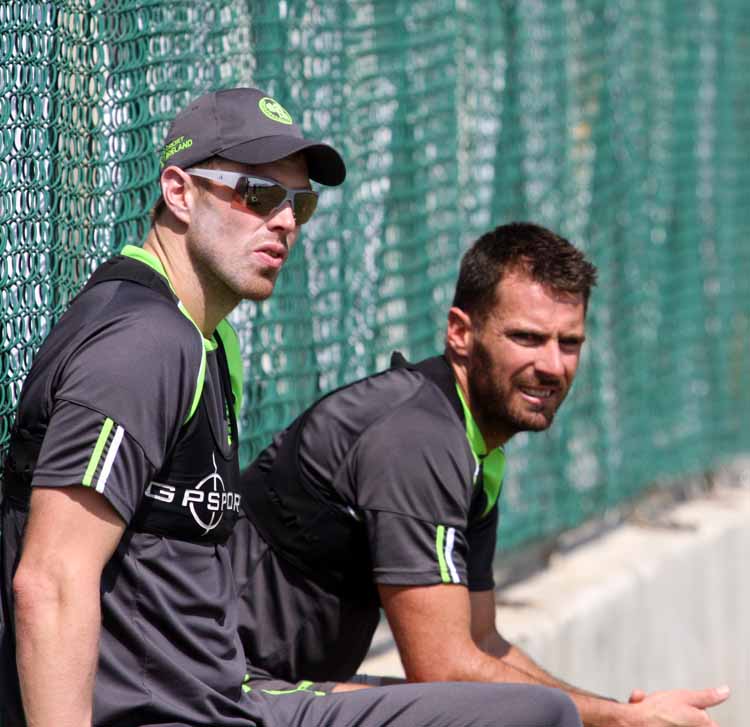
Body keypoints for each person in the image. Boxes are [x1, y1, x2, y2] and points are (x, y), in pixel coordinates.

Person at [0, 89, 581, 727]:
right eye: (256, 194)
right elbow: (51, 579)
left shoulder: (204, 341)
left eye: (298, 203)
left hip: (226, 694)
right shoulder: (143, 344)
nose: (284, 222)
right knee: (531, 718)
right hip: (171, 713)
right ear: (178, 192)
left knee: (527, 710)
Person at [230, 222, 731, 727]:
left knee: (540, 713)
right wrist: (617, 720)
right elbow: (443, 667)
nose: (552, 365)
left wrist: (621, 713)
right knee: (531, 716)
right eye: (527, 338)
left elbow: (482, 641)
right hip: (223, 691)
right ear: (460, 333)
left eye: (569, 342)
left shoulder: (473, 448)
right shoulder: (416, 438)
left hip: (277, 687)